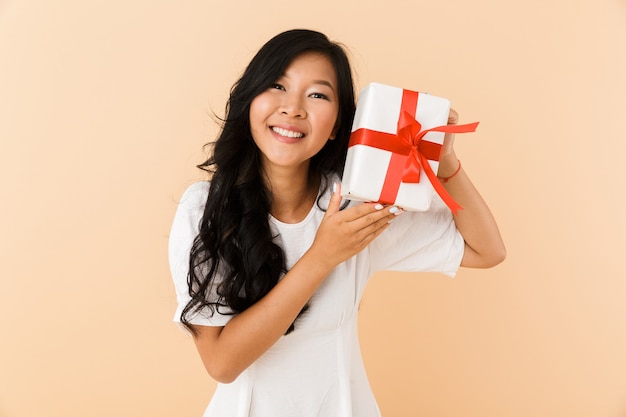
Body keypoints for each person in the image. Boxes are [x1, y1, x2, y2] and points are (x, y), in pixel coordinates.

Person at [168, 29, 505, 417]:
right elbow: (222, 363)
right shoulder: (206, 208)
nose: (293, 108)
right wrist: (322, 256)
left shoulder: (355, 203)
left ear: (336, 127)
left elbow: (487, 250)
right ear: (250, 101)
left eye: (317, 95)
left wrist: (442, 159)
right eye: (277, 85)